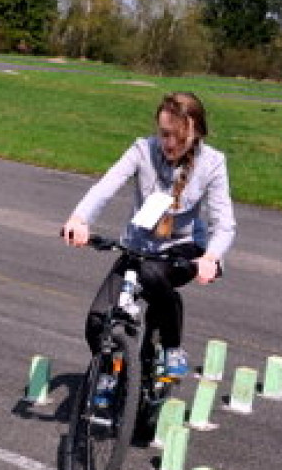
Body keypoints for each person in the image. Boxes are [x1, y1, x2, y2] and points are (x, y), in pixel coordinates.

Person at [60, 92, 236, 378]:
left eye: (179, 137)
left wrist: (211, 257)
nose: (170, 144)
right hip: (139, 247)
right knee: (96, 322)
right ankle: (113, 381)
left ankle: (171, 346)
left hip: (183, 249)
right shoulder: (142, 150)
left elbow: (224, 222)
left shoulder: (213, 163)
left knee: (153, 275)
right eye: (165, 134)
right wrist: (79, 219)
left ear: (197, 133)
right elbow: (107, 185)